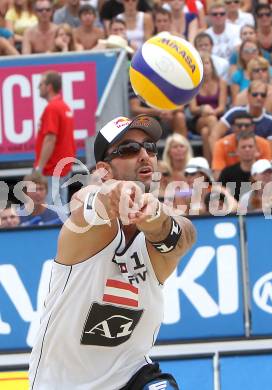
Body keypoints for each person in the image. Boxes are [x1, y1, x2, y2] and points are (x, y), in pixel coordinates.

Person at [29, 114, 196, 389]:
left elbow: (185, 234)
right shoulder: (89, 223)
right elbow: (84, 201)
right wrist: (117, 190)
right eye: (129, 149)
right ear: (104, 170)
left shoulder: (158, 229)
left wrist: (156, 220)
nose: (144, 155)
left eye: (150, 148)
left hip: (132, 377)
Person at [34, 71, 76, 210]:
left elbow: (50, 139)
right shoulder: (64, 106)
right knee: (60, 209)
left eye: (40, 84)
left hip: (53, 168)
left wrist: (39, 168)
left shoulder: (52, 108)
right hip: (62, 167)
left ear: (49, 87)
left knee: (52, 211)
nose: (38, 88)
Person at [210, 80, 272, 159]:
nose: (259, 97)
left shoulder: (271, 121)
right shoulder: (235, 112)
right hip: (232, 158)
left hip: (259, 162)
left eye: (263, 95)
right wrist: (218, 158)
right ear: (248, 96)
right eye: (255, 94)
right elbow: (214, 136)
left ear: (266, 98)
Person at [189, 52, 227, 162]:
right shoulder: (194, 83)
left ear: (212, 65)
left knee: (206, 133)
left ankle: (210, 167)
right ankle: (219, 161)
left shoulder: (221, 82)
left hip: (217, 117)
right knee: (210, 120)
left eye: (206, 63)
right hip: (199, 119)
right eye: (201, 64)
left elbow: (222, 108)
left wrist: (212, 112)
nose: (205, 67)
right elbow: (193, 109)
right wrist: (203, 109)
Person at [211, 110, 272, 179]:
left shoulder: (263, 144)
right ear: (233, 127)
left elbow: (268, 171)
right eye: (239, 126)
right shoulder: (221, 145)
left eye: (247, 126)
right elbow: (218, 176)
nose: (243, 128)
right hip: (231, 181)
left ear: (253, 127)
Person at [219, 131, 258, 200]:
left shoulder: (267, 171)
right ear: (237, 150)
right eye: (243, 147)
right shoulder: (227, 174)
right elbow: (219, 198)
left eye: (250, 146)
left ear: (256, 149)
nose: (247, 149)